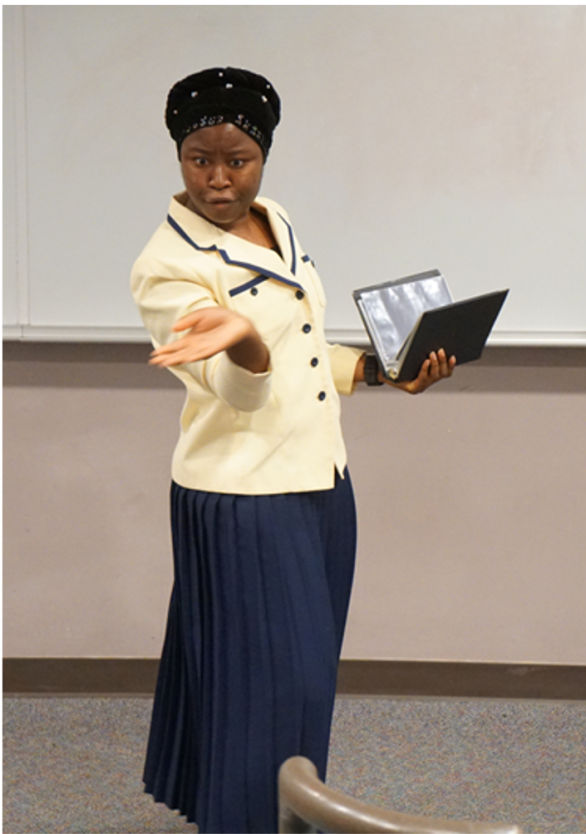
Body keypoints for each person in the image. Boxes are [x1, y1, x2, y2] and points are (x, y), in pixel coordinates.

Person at [131, 67, 458, 834]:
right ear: (178, 156)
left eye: (236, 158)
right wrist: (240, 347)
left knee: (303, 685)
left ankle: (272, 820)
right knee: (273, 689)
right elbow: (234, 391)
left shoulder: (274, 220)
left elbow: (305, 345)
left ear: (264, 154)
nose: (217, 179)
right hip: (243, 498)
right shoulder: (167, 265)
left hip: (320, 484)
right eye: (198, 158)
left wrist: (382, 370)